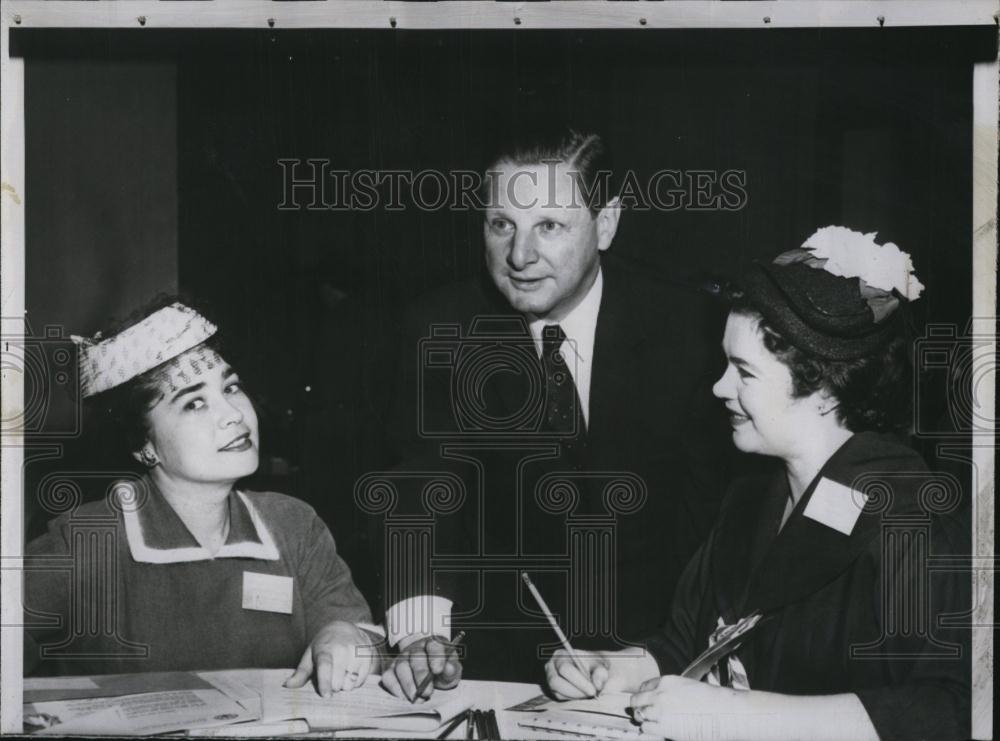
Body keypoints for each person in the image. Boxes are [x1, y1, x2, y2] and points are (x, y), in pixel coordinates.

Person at [544, 227, 970, 740]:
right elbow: (684, 648)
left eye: (744, 372)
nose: (719, 387)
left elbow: (949, 709)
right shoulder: (752, 495)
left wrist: (732, 716)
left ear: (824, 390)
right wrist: (612, 669)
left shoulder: (913, 519)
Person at [378, 127, 731, 698]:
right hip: (497, 665)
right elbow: (423, 489)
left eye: (549, 226)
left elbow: (715, 518)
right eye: (501, 225)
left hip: (657, 659)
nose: (519, 257)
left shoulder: (690, 330)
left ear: (607, 223)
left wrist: (659, 658)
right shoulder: (438, 328)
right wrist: (422, 634)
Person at [24, 300, 383, 695]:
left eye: (231, 387)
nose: (233, 413)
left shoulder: (294, 526)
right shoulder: (86, 540)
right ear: (144, 446)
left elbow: (366, 636)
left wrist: (346, 636)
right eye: (195, 403)